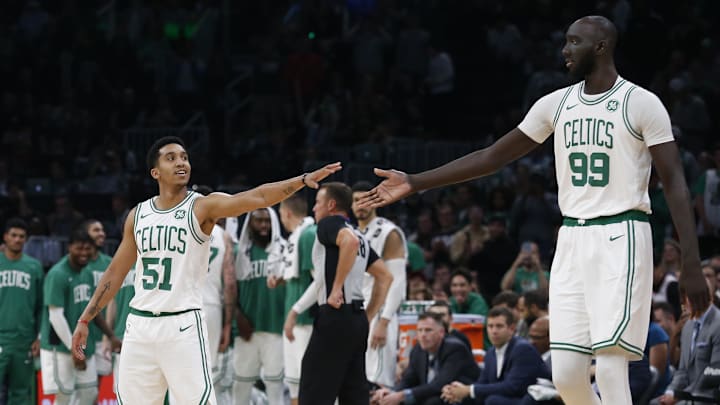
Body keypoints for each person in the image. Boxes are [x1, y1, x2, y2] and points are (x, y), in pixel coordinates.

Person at [359, 15, 708, 405]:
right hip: (572, 237)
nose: (565, 50)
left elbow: (675, 182)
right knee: (567, 377)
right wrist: (415, 182)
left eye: (574, 42)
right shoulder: (555, 104)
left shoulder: (641, 103)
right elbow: (492, 157)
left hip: (621, 234)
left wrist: (692, 263)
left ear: (601, 46)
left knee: (610, 368)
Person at [71, 136, 341, 404]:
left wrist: (301, 180)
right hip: (139, 324)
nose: (181, 162)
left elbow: (256, 197)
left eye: (185, 157)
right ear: (155, 172)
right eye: (171, 158)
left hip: (181, 323)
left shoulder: (202, 206)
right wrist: (85, 319)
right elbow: (115, 272)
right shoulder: (138, 215)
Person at [299, 182, 393, 405]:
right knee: (354, 392)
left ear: (331, 205)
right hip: (356, 319)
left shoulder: (329, 224)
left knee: (314, 391)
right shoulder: (359, 234)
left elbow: (347, 243)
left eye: (318, 203)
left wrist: (336, 288)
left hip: (334, 315)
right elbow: (385, 277)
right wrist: (368, 315)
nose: (314, 209)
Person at [41, 230, 120, 405]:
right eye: (79, 248)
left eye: (88, 249)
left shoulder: (87, 273)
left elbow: (94, 310)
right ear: (69, 247)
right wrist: (74, 349)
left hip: (84, 346)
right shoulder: (57, 274)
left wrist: (111, 335)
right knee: (64, 396)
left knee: (90, 393)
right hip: (60, 347)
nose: (84, 253)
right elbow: (55, 317)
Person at [352, 181, 408, 388]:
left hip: (380, 315)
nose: (361, 205)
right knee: (357, 381)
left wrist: (383, 323)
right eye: (357, 200)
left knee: (379, 381)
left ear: (376, 202)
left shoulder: (389, 232)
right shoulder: (351, 234)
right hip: (358, 313)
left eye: (366, 199)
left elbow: (398, 282)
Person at [440, 307, 549, 404]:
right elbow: (482, 383)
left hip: (531, 400)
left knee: (492, 400)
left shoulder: (522, 349)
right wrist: (457, 391)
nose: (494, 331)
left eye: (499, 326)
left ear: (511, 329)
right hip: (508, 398)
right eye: (490, 326)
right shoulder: (491, 353)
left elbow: (512, 387)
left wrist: (468, 390)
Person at [233, 207, 286, 405]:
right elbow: (229, 292)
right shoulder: (239, 253)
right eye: (259, 221)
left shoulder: (284, 250)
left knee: (275, 387)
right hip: (246, 331)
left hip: (276, 328)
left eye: (267, 221)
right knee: (241, 387)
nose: (264, 226)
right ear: (250, 224)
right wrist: (238, 317)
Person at [370, 312, 479, 405]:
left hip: (460, 397)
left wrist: (401, 395)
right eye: (420, 330)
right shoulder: (418, 350)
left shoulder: (455, 348)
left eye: (428, 330)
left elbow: (440, 384)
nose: (423, 335)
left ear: (441, 333)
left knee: (431, 402)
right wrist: (392, 392)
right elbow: (409, 379)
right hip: (431, 395)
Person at [270, 194, 316, 405]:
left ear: (286, 213)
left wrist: (295, 312)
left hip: (306, 320)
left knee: (307, 381)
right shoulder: (297, 235)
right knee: (295, 381)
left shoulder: (308, 235)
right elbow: (300, 276)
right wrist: (281, 280)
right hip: (296, 319)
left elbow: (319, 280)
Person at [193, 185, 236, 405]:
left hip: (180, 306)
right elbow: (229, 284)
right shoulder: (223, 236)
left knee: (178, 373)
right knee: (207, 375)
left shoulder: (179, 227)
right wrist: (227, 325)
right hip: (211, 308)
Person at [0, 218, 43, 405]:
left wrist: (38, 337)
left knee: (21, 394)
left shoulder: (34, 266)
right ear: (5, 237)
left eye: (21, 236)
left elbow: (41, 306)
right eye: (14, 235)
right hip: (1, 337)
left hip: (24, 340)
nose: (17, 239)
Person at [656, 300, 720, 404]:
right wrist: (677, 333)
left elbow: (711, 379)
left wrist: (678, 395)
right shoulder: (687, 332)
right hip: (687, 392)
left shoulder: (714, 332)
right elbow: (677, 366)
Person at [80, 219, 114, 378]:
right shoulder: (77, 264)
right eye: (96, 230)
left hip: (104, 333)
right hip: (85, 333)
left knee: (98, 387)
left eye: (102, 230)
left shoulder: (110, 263)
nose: (101, 233)